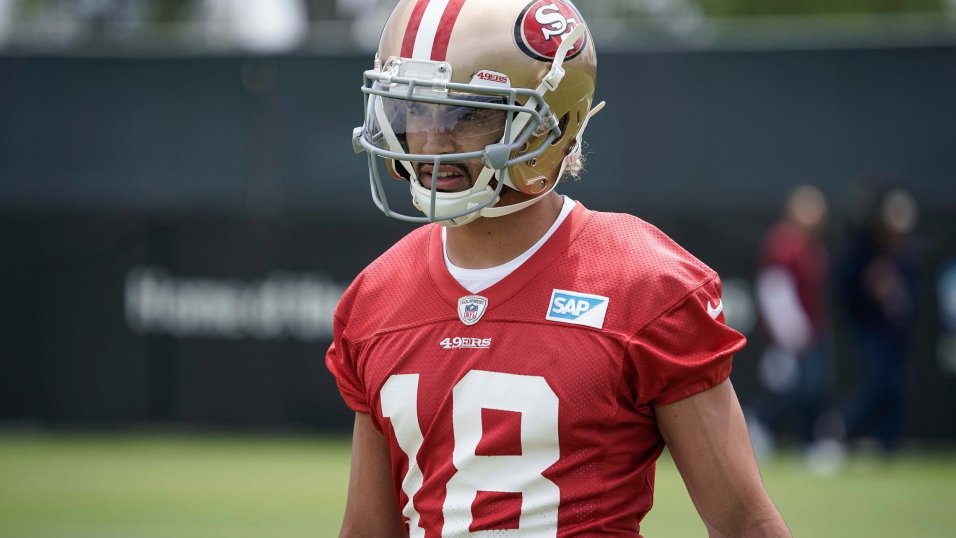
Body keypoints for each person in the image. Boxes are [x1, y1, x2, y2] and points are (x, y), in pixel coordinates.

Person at [326, 1, 789, 535]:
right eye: (415, 109)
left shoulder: (644, 283)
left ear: (550, 126)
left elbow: (745, 523)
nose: (431, 141)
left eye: (465, 113)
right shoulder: (375, 296)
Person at [748, 185, 833, 458]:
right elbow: (775, 291)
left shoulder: (812, 245)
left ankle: (811, 442)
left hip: (813, 331)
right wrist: (790, 332)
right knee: (792, 389)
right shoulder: (784, 245)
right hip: (792, 333)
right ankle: (758, 424)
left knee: (813, 388)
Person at [836, 183, 920, 454]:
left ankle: (888, 444)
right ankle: (840, 431)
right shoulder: (861, 251)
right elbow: (846, 285)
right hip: (869, 326)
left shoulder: (903, 255)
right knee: (878, 381)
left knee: (897, 385)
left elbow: (911, 290)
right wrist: (871, 283)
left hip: (896, 330)